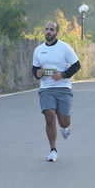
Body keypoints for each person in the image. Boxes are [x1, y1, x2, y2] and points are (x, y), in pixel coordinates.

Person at [32, 22, 81, 162]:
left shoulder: (65, 47)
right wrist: (37, 73)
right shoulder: (39, 50)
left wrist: (63, 75)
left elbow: (76, 65)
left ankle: (65, 128)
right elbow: (34, 68)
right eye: (47, 29)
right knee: (49, 116)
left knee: (64, 122)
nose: (48, 32)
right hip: (46, 89)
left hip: (63, 88)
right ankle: (53, 150)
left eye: (52, 29)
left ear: (57, 32)